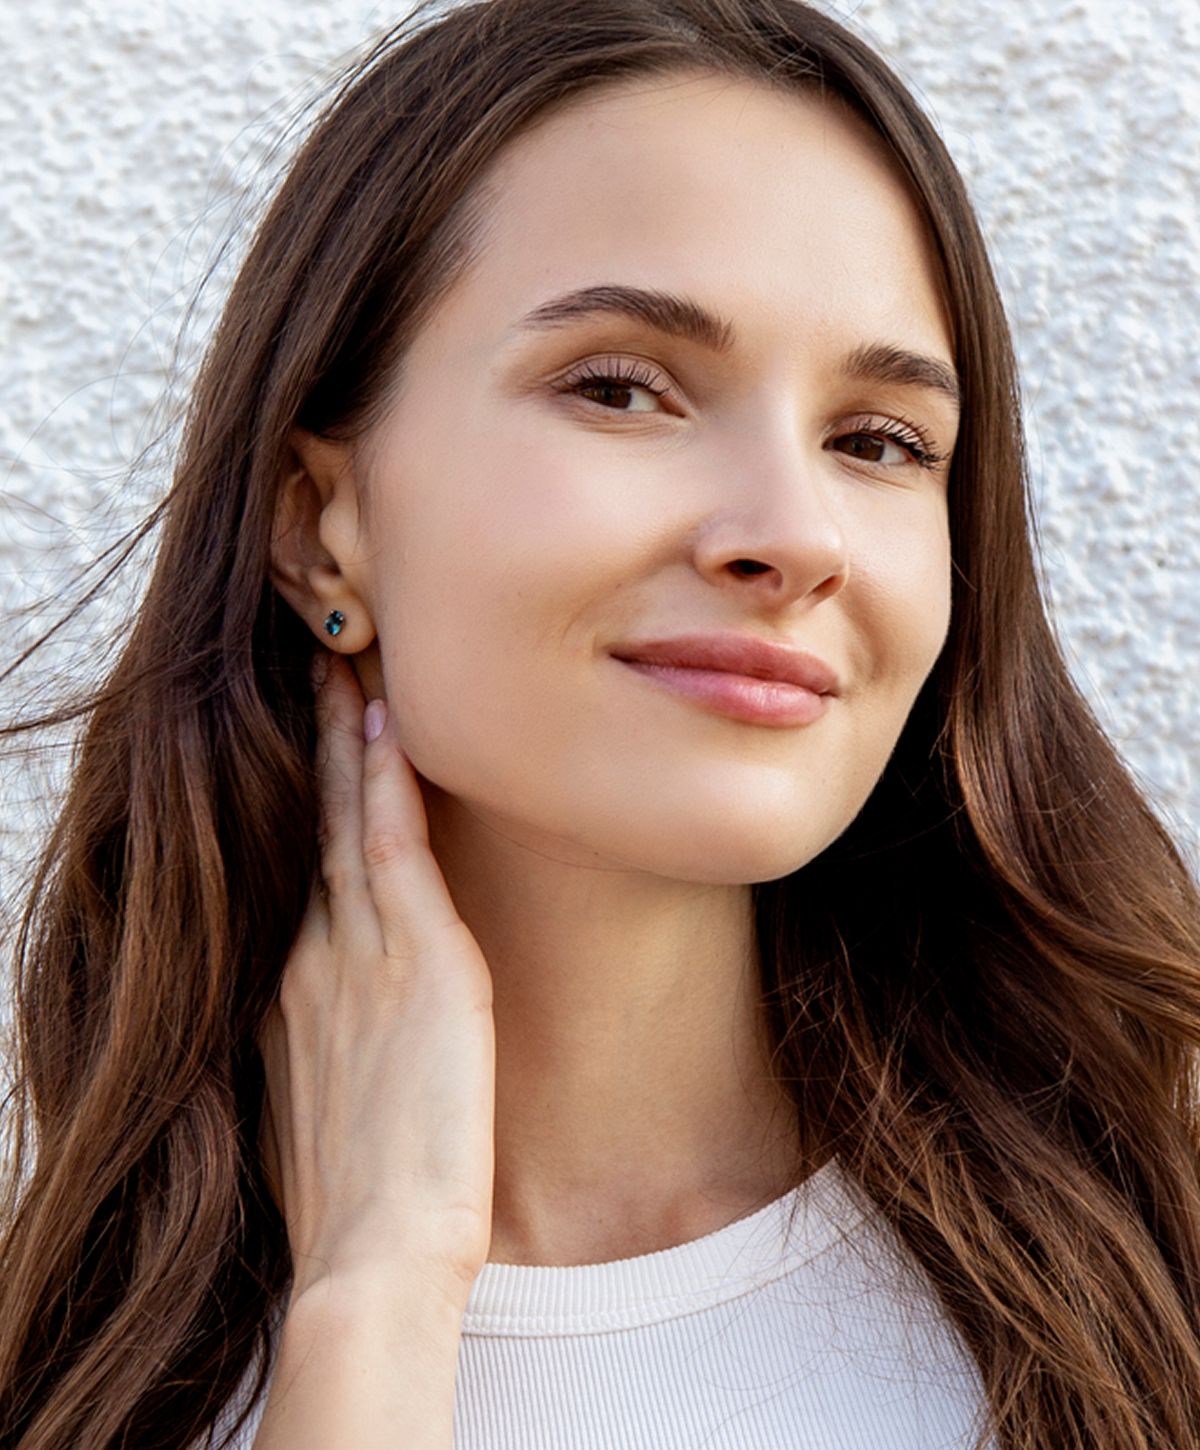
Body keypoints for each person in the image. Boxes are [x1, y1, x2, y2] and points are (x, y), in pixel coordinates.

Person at [1, 0, 1198, 1445]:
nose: (793, 533)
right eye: (622, 388)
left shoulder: (1146, 1290)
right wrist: (370, 1307)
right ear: (322, 527)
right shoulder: (86, 1374)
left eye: (877, 439)